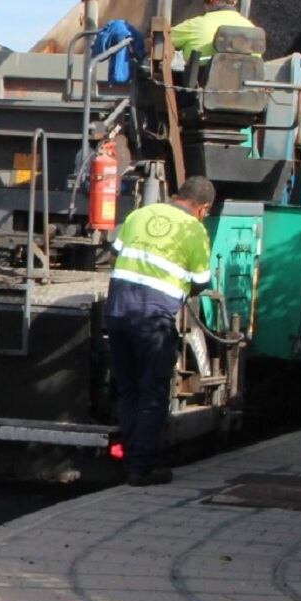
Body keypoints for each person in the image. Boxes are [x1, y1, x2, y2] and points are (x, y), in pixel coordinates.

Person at [105, 176, 215, 487]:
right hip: (152, 319)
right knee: (152, 392)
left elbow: (115, 253)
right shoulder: (195, 230)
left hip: (117, 312)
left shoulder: (141, 213)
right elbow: (202, 280)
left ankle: (127, 459)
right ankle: (141, 469)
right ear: (202, 208)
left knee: (127, 390)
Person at [171, 0, 259, 60]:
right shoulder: (253, 32)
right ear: (235, 1)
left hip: (200, 74)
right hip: (243, 74)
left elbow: (164, 38)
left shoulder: (195, 25)